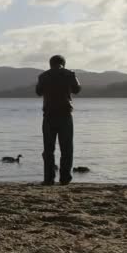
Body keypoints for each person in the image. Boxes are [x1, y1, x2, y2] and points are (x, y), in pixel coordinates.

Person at [36, 55, 81, 186]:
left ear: (50, 64)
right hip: (65, 114)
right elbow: (77, 89)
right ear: (63, 64)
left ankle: (49, 178)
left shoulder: (43, 76)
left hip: (49, 115)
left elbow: (38, 92)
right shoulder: (70, 74)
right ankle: (65, 178)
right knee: (67, 148)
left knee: (48, 149)